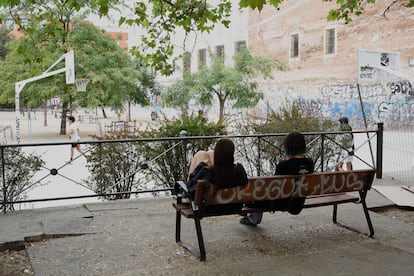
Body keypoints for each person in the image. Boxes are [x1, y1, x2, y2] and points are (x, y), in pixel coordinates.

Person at [240, 132, 314, 226]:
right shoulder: (309, 163)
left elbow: (274, 188)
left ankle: (253, 218)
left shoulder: (283, 165)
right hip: (298, 203)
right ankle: (252, 217)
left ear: (288, 148)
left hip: (281, 204)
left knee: (255, 196)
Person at [186, 138, 248, 206]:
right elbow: (245, 183)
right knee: (209, 153)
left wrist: (200, 166)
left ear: (216, 153)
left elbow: (190, 188)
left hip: (209, 208)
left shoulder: (208, 171)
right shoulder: (239, 170)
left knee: (201, 154)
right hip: (235, 206)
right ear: (232, 153)